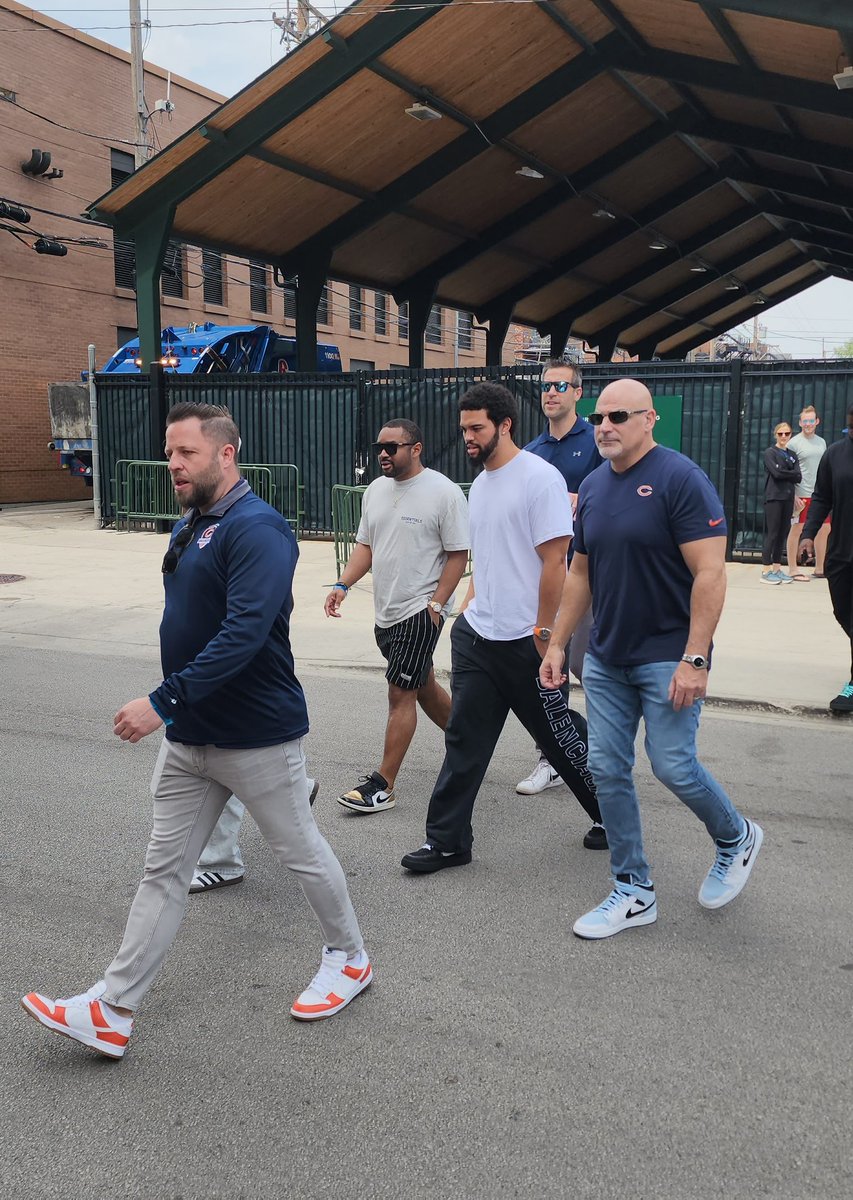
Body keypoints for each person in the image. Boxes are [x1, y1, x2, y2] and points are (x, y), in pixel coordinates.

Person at [21, 403, 371, 1058]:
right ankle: (112, 1009)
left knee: (300, 850)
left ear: (225, 453)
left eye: (185, 452)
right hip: (190, 738)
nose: (173, 464)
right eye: (169, 451)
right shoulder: (195, 521)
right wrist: (176, 711)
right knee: (163, 871)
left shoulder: (258, 529)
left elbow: (242, 635)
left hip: (256, 736)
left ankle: (349, 958)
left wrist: (162, 699)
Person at [540, 378, 763, 939]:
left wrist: (696, 657)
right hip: (608, 655)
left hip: (668, 652)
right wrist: (559, 643)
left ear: (649, 420)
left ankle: (736, 836)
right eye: (600, 417)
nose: (605, 426)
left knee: (672, 764)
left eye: (619, 416)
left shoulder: (680, 479)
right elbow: (580, 573)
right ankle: (633, 888)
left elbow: (710, 573)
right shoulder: (592, 486)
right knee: (606, 768)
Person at [401, 382, 604, 875]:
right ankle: (448, 842)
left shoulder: (540, 478)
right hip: (479, 636)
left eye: (476, 428)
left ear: (505, 424)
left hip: (526, 641)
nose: (467, 437)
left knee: (559, 739)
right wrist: (468, 612)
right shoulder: (484, 483)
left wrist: (545, 635)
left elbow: (557, 563)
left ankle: (614, 815)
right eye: (464, 429)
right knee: (464, 739)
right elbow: (487, 557)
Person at [326, 419, 469, 812]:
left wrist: (437, 603)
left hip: (421, 610)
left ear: (416, 448)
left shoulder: (443, 492)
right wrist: (342, 585)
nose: (383, 454)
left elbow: (459, 554)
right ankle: (469, 738)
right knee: (420, 683)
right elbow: (365, 548)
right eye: (379, 447)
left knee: (399, 692)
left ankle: (382, 784)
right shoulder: (374, 490)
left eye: (392, 447)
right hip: (385, 611)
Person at [516, 357, 603, 799]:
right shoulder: (531, 451)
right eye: (546, 386)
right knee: (548, 668)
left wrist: (579, 496)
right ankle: (551, 758)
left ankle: (605, 753)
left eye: (561, 386)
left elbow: (615, 491)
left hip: (588, 577)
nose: (551, 393)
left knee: (592, 669)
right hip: (547, 577)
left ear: (577, 393)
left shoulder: (596, 441)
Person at [799, 400, 853, 714]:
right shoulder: (836, 453)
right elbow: (821, 497)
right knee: (842, 612)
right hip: (841, 553)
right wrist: (808, 533)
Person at [786, 405, 830, 580]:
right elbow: (787, 471)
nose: (808, 424)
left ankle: (819, 568)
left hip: (819, 494)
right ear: (800, 423)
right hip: (801, 494)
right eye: (805, 421)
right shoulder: (793, 443)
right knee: (797, 529)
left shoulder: (822, 442)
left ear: (817, 422)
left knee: (825, 528)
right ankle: (792, 569)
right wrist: (793, 495)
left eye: (811, 420)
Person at [760, 421, 801, 584]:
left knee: (783, 533)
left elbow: (798, 476)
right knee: (773, 533)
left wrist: (787, 472)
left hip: (788, 497)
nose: (784, 436)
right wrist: (789, 472)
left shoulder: (792, 454)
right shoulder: (770, 453)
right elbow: (776, 473)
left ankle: (777, 568)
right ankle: (766, 569)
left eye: (787, 433)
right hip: (774, 497)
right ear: (775, 435)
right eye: (780, 434)